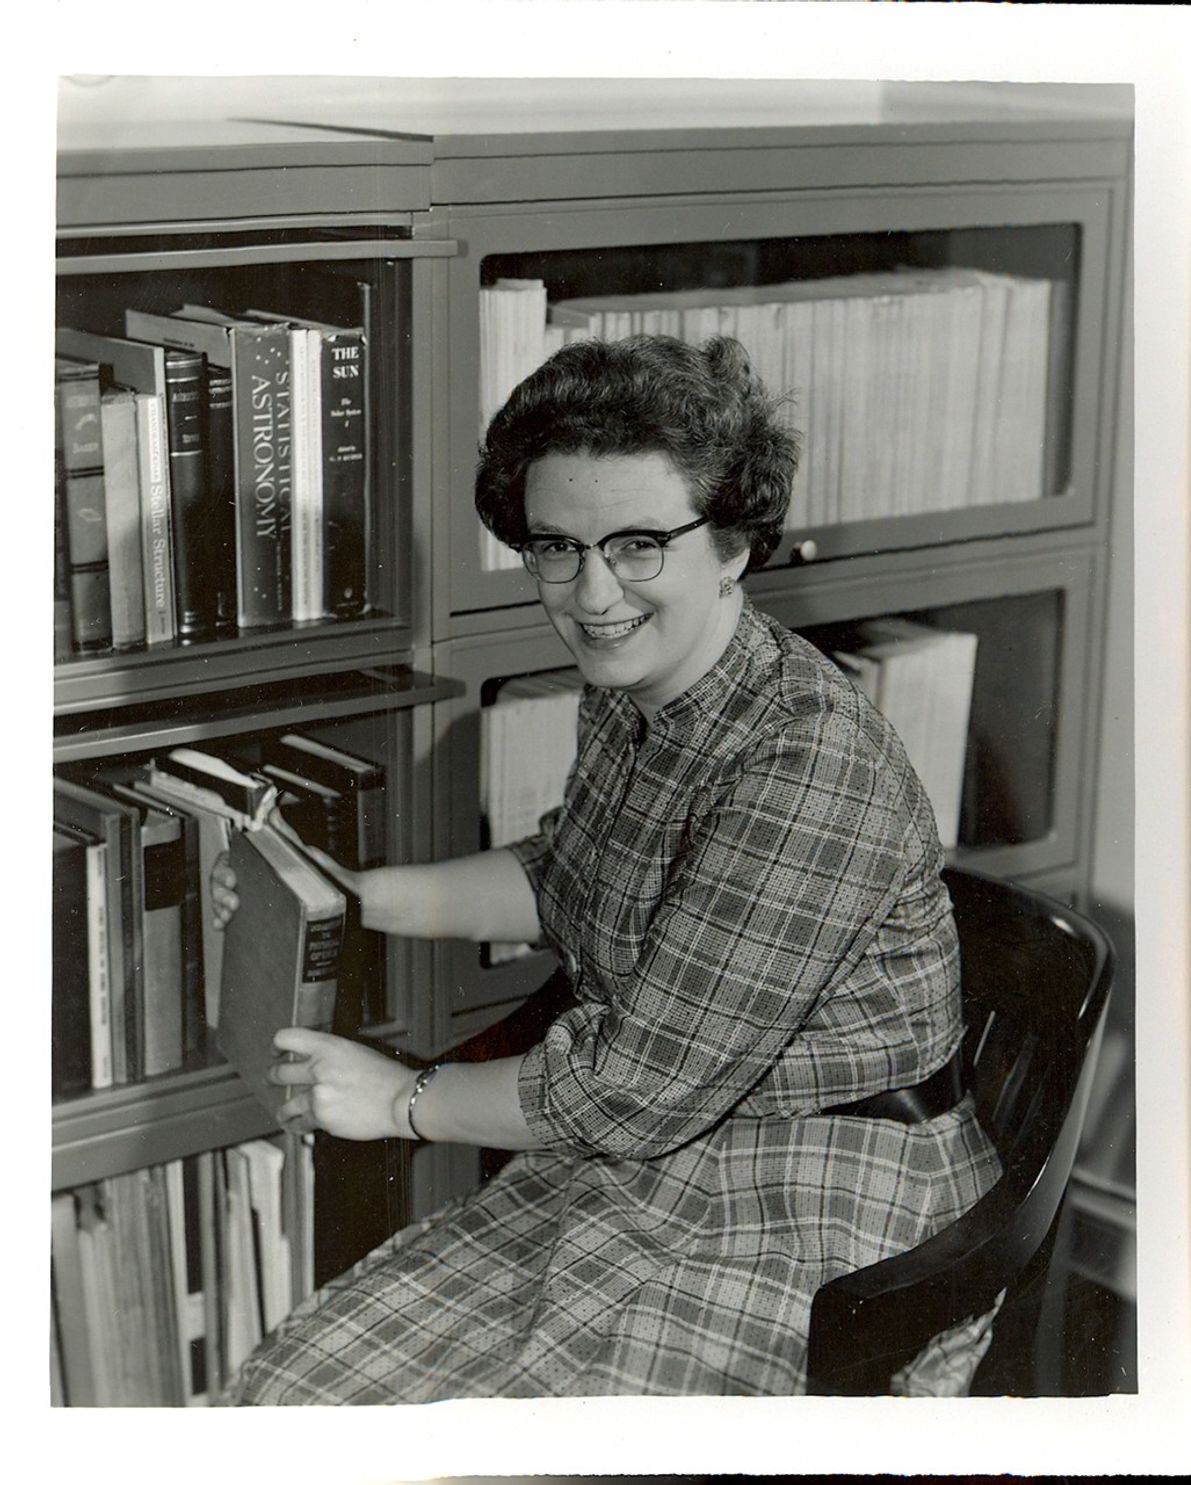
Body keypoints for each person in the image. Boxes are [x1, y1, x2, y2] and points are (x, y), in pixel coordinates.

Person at [216, 335, 1002, 1403]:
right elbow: (565, 877)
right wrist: (353, 901)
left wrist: (405, 1101)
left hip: (820, 1194)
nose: (591, 594)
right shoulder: (638, 689)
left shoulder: (806, 758)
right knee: (299, 1399)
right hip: (658, 1154)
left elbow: (635, 1089)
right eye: (557, 547)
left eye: (638, 544)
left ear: (732, 544)